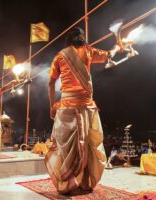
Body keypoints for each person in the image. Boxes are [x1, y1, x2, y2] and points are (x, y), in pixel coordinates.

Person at [45, 27, 123, 194]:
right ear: (82, 38)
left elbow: (51, 83)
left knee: (65, 148)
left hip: (66, 107)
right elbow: (110, 54)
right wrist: (117, 43)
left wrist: (52, 106)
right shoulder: (89, 51)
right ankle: (85, 183)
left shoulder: (60, 55)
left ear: (68, 40)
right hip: (86, 107)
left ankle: (66, 183)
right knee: (87, 144)